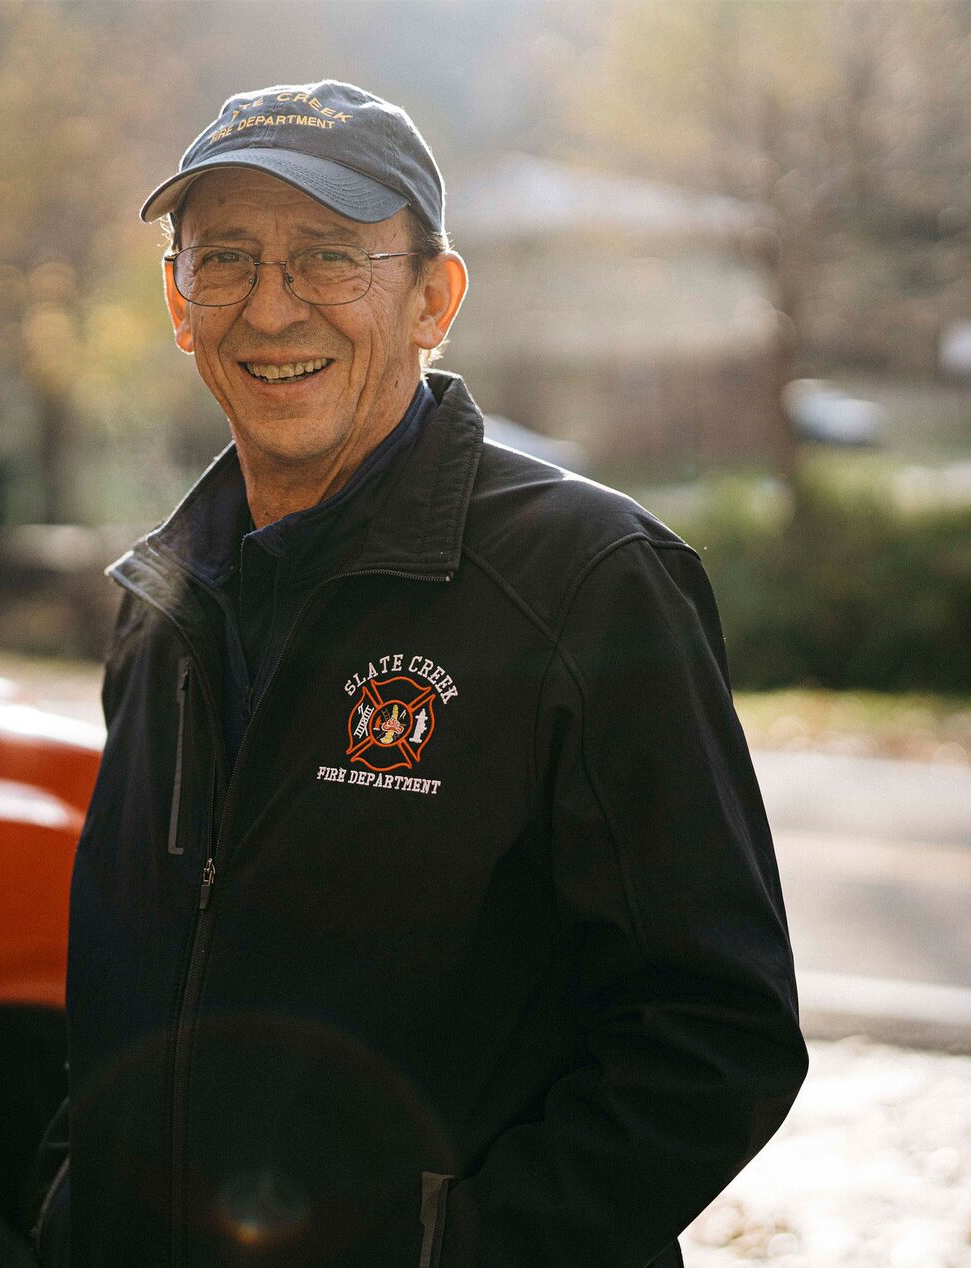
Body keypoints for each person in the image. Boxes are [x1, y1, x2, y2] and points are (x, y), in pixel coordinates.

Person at [40, 80, 808, 1268]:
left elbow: (715, 1032)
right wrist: (74, 1207)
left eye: (331, 259)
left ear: (431, 299)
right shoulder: (164, 606)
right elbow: (121, 997)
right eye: (225, 258)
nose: (271, 308)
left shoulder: (589, 580)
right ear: (178, 301)